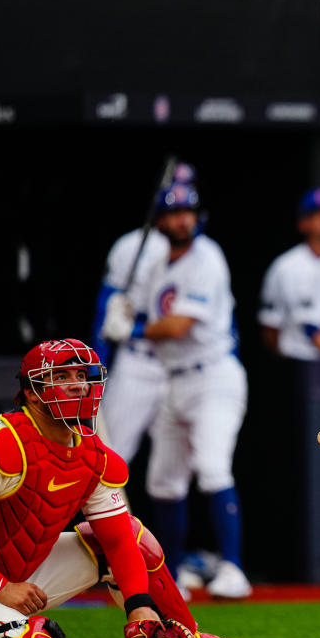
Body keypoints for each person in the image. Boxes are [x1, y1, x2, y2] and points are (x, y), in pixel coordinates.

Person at [0, 339, 253, 638]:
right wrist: (2, 587)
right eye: (61, 375)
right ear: (33, 393)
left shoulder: (94, 454)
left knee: (134, 538)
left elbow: (117, 539)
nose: (76, 383)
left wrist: (138, 608)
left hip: (18, 574)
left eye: (81, 375)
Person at [100, 183, 251, 600]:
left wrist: (129, 328)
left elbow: (178, 324)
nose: (182, 219)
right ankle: (176, 570)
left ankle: (234, 568)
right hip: (174, 380)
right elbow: (140, 303)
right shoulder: (158, 265)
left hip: (214, 376)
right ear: (160, 220)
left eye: (188, 211)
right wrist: (121, 307)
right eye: (173, 213)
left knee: (212, 466)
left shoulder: (207, 257)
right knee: (163, 481)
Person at [94, 161, 195, 463]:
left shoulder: (204, 255)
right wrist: (96, 374)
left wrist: (133, 325)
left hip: (183, 365)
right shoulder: (130, 247)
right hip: (138, 362)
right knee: (107, 457)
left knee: (179, 473)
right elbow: (104, 313)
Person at [259, 188, 320, 360]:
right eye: (318, 214)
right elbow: (270, 328)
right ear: (303, 222)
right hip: (297, 360)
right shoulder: (284, 266)